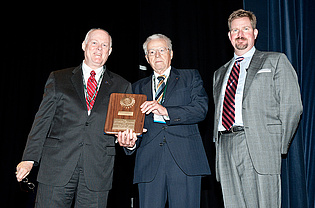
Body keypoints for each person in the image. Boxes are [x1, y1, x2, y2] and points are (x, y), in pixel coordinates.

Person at [15, 28, 132, 207]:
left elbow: (124, 127)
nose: (99, 48)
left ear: (110, 51)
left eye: (104, 45)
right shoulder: (59, 78)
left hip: (97, 171)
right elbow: (42, 121)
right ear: (84, 46)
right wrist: (29, 158)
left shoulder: (122, 85)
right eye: (94, 43)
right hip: (57, 166)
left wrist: (128, 142)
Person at [212, 9, 303, 207]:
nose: (240, 34)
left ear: (255, 33)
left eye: (245, 28)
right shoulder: (219, 73)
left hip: (260, 145)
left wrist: (276, 144)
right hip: (226, 145)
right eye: (235, 30)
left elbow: (292, 106)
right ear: (229, 36)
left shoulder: (275, 60)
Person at [117, 34, 211, 208]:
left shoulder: (190, 77)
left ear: (171, 53)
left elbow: (200, 110)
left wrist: (166, 111)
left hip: (185, 162)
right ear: (146, 58)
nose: (157, 55)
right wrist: (129, 143)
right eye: (152, 52)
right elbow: (133, 127)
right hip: (149, 164)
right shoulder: (135, 88)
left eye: (162, 50)